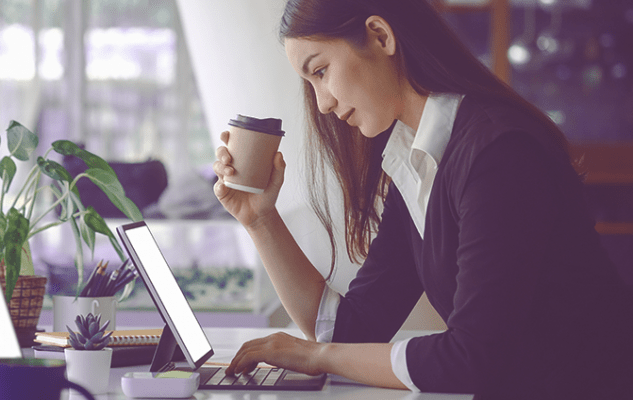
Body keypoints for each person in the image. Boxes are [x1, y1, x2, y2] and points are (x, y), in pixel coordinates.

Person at [211, 0, 633, 398]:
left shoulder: (499, 153)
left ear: (380, 36)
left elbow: (472, 358)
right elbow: (348, 332)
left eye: (320, 71)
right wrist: (260, 219)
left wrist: (317, 357)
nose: (322, 104)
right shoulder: (417, 160)